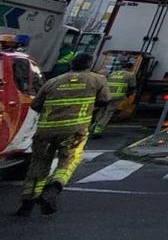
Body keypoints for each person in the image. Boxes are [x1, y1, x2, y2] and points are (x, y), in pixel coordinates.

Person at [15, 53, 110, 217]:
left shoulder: (53, 81)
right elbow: (104, 100)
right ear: (89, 65)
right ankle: (54, 188)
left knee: (38, 164)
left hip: (45, 131)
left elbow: (36, 104)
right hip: (75, 130)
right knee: (68, 161)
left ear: (71, 64)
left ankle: (27, 204)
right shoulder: (97, 80)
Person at [91, 58, 135, 137]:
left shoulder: (113, 73)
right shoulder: (130, 75)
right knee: (108, 113)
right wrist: (129, 95)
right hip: (117, 97)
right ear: (130, 67)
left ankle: (94, 125)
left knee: (102, 110)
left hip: (106, 95)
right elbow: (132, 87)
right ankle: (98, 130)